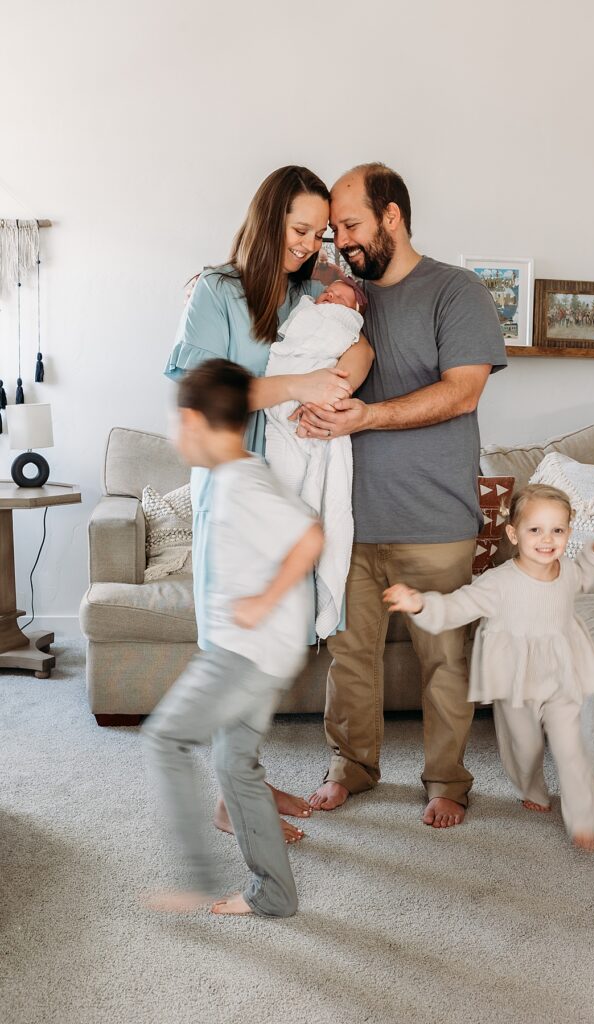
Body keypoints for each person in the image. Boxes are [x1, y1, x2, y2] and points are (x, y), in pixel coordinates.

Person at [164, 166, 374, 842]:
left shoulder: (304, 294)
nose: (310, 245)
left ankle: (244, 780)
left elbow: (357, 344)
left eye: (318, 235)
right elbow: (199, 393)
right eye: (299, 230)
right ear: (267, 220)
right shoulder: (215, 291)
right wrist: (298, 384)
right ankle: (232, 801)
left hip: (289, 480)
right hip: (232, 490)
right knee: (235, 641)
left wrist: (336, 387)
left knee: (280, 635)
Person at [302, 163, 507, 827]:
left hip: (435, 520)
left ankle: (446, 780)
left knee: (443, 662)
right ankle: (350, 767)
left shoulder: (456, 290)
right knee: (349, 657)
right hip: (348, 519)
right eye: (333, 230)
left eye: (352, 224)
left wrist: (367, 415)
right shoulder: (338, 297)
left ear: (391, 216)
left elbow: (462, 390)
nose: (342, 241)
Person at [144, 359, 324, 916]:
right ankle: (273, 894)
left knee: (165, 740)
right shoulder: (231, 476)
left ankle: (197, 881)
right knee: (234, 764)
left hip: (247, 653)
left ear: (196, 423)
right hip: (258, 651)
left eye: (177, 424)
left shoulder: (243, 481)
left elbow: (310, 536)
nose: (177, 437)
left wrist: (263, 603)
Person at [383, 484, 594, 852]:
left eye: (557, 530)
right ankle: (532, 787)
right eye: (535, 530)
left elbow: (585, 576)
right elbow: (458, 607)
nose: (547, 539)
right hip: (515, 678)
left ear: (569, 533)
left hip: (561, 673)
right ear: (513, 533)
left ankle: (584, 818)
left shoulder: (567, 570)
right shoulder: (499, 582)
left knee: (571, 746)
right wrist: (419, 604)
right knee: (524, 747)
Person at [265, 277, 368, 638]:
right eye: (327, 293)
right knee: (282, 485)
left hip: (312, 409)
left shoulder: (347, 325)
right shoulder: (300, 306)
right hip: (278, 408)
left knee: (302, 489)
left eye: (340, 297)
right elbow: (289, 346)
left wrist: (327, 395)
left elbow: (357, 350)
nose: (329, 296)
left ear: (354, 310)